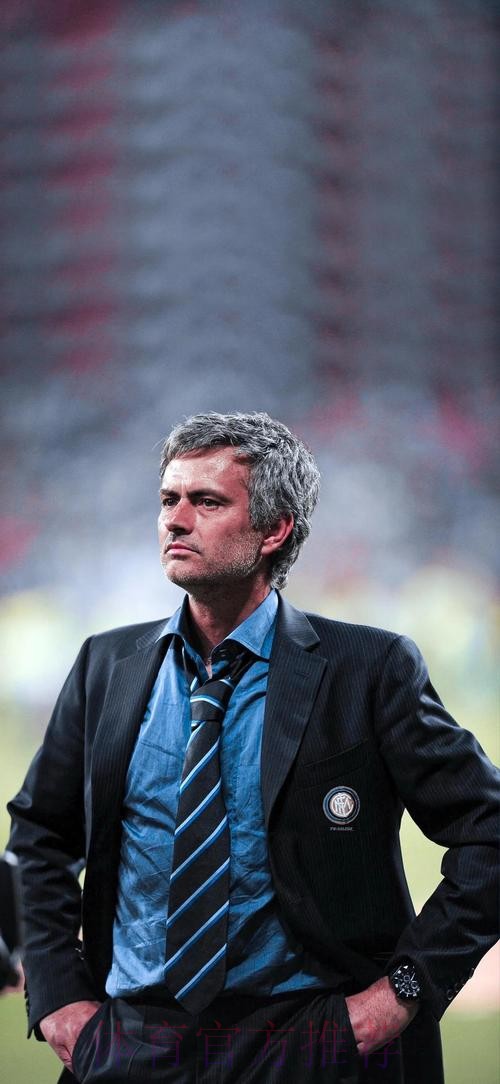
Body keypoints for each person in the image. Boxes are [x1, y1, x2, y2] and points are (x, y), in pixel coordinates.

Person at [7, 411, 499, 1084]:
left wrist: (404, 991)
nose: (176, 520)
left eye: (207, 502)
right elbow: (40, 837)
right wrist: (59, 996)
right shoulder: (105, 665)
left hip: (309, 1038)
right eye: (168, 499)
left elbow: (488, 831)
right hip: (135, 1042)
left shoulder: (368, 668)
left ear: (275, 530)